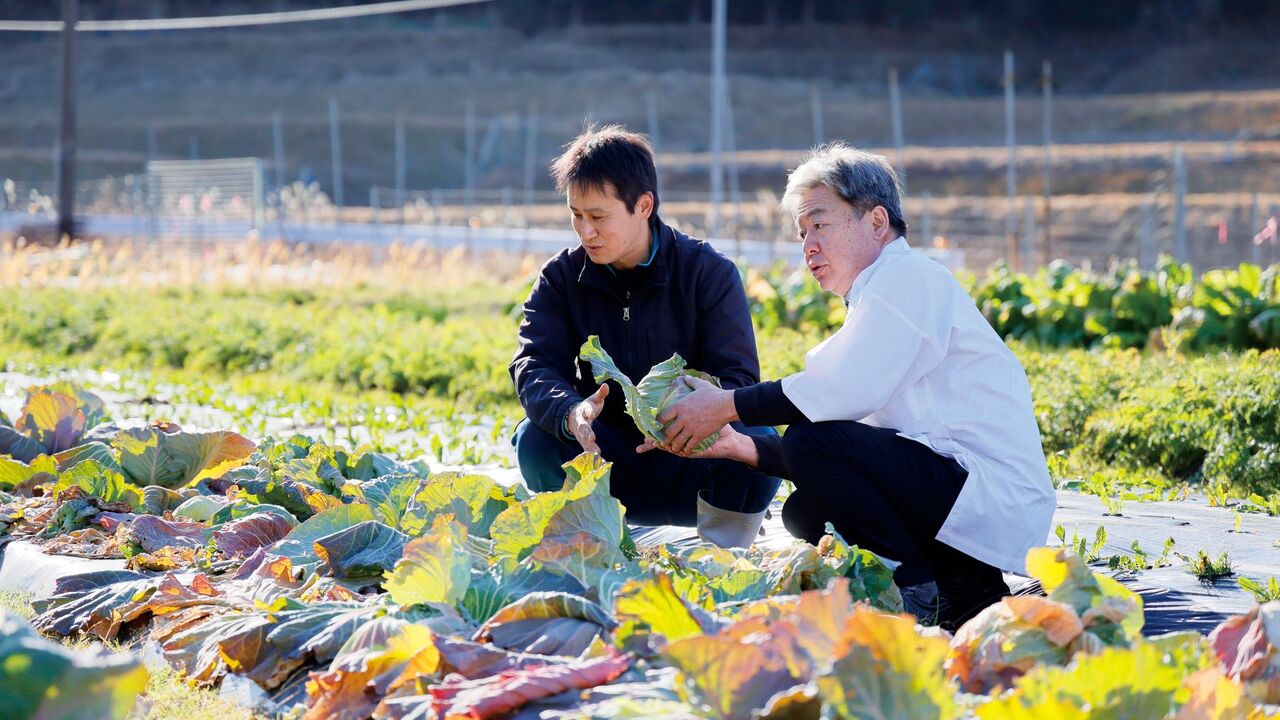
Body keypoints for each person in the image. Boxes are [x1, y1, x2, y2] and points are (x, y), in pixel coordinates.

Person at [646, 144, 1055, 629]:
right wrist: (741, 448)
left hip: (986, 495)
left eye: (819, 224)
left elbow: (837, 399)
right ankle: (957, 591)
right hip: (953, 493)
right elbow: (855, 436)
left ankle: (923, 595)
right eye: (802, 233)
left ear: (877, 222)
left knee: (809, 440)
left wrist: (724, 406)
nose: (808, 246)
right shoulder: (878, 296)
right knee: (805, 511)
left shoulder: (909, 279)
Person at [508, 124, 781, 547]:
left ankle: (727, 556)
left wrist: (689, 415)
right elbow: (534, 364)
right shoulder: (560, 278)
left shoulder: (707, 273)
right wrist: (572, 413)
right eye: (576, 216)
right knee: (535, 439)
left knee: (758, 441)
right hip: (604, 460)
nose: (586, 232)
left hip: (691, 456)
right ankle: (584, 549)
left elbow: (738, 377)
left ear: (644, 205)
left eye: (598, 217)